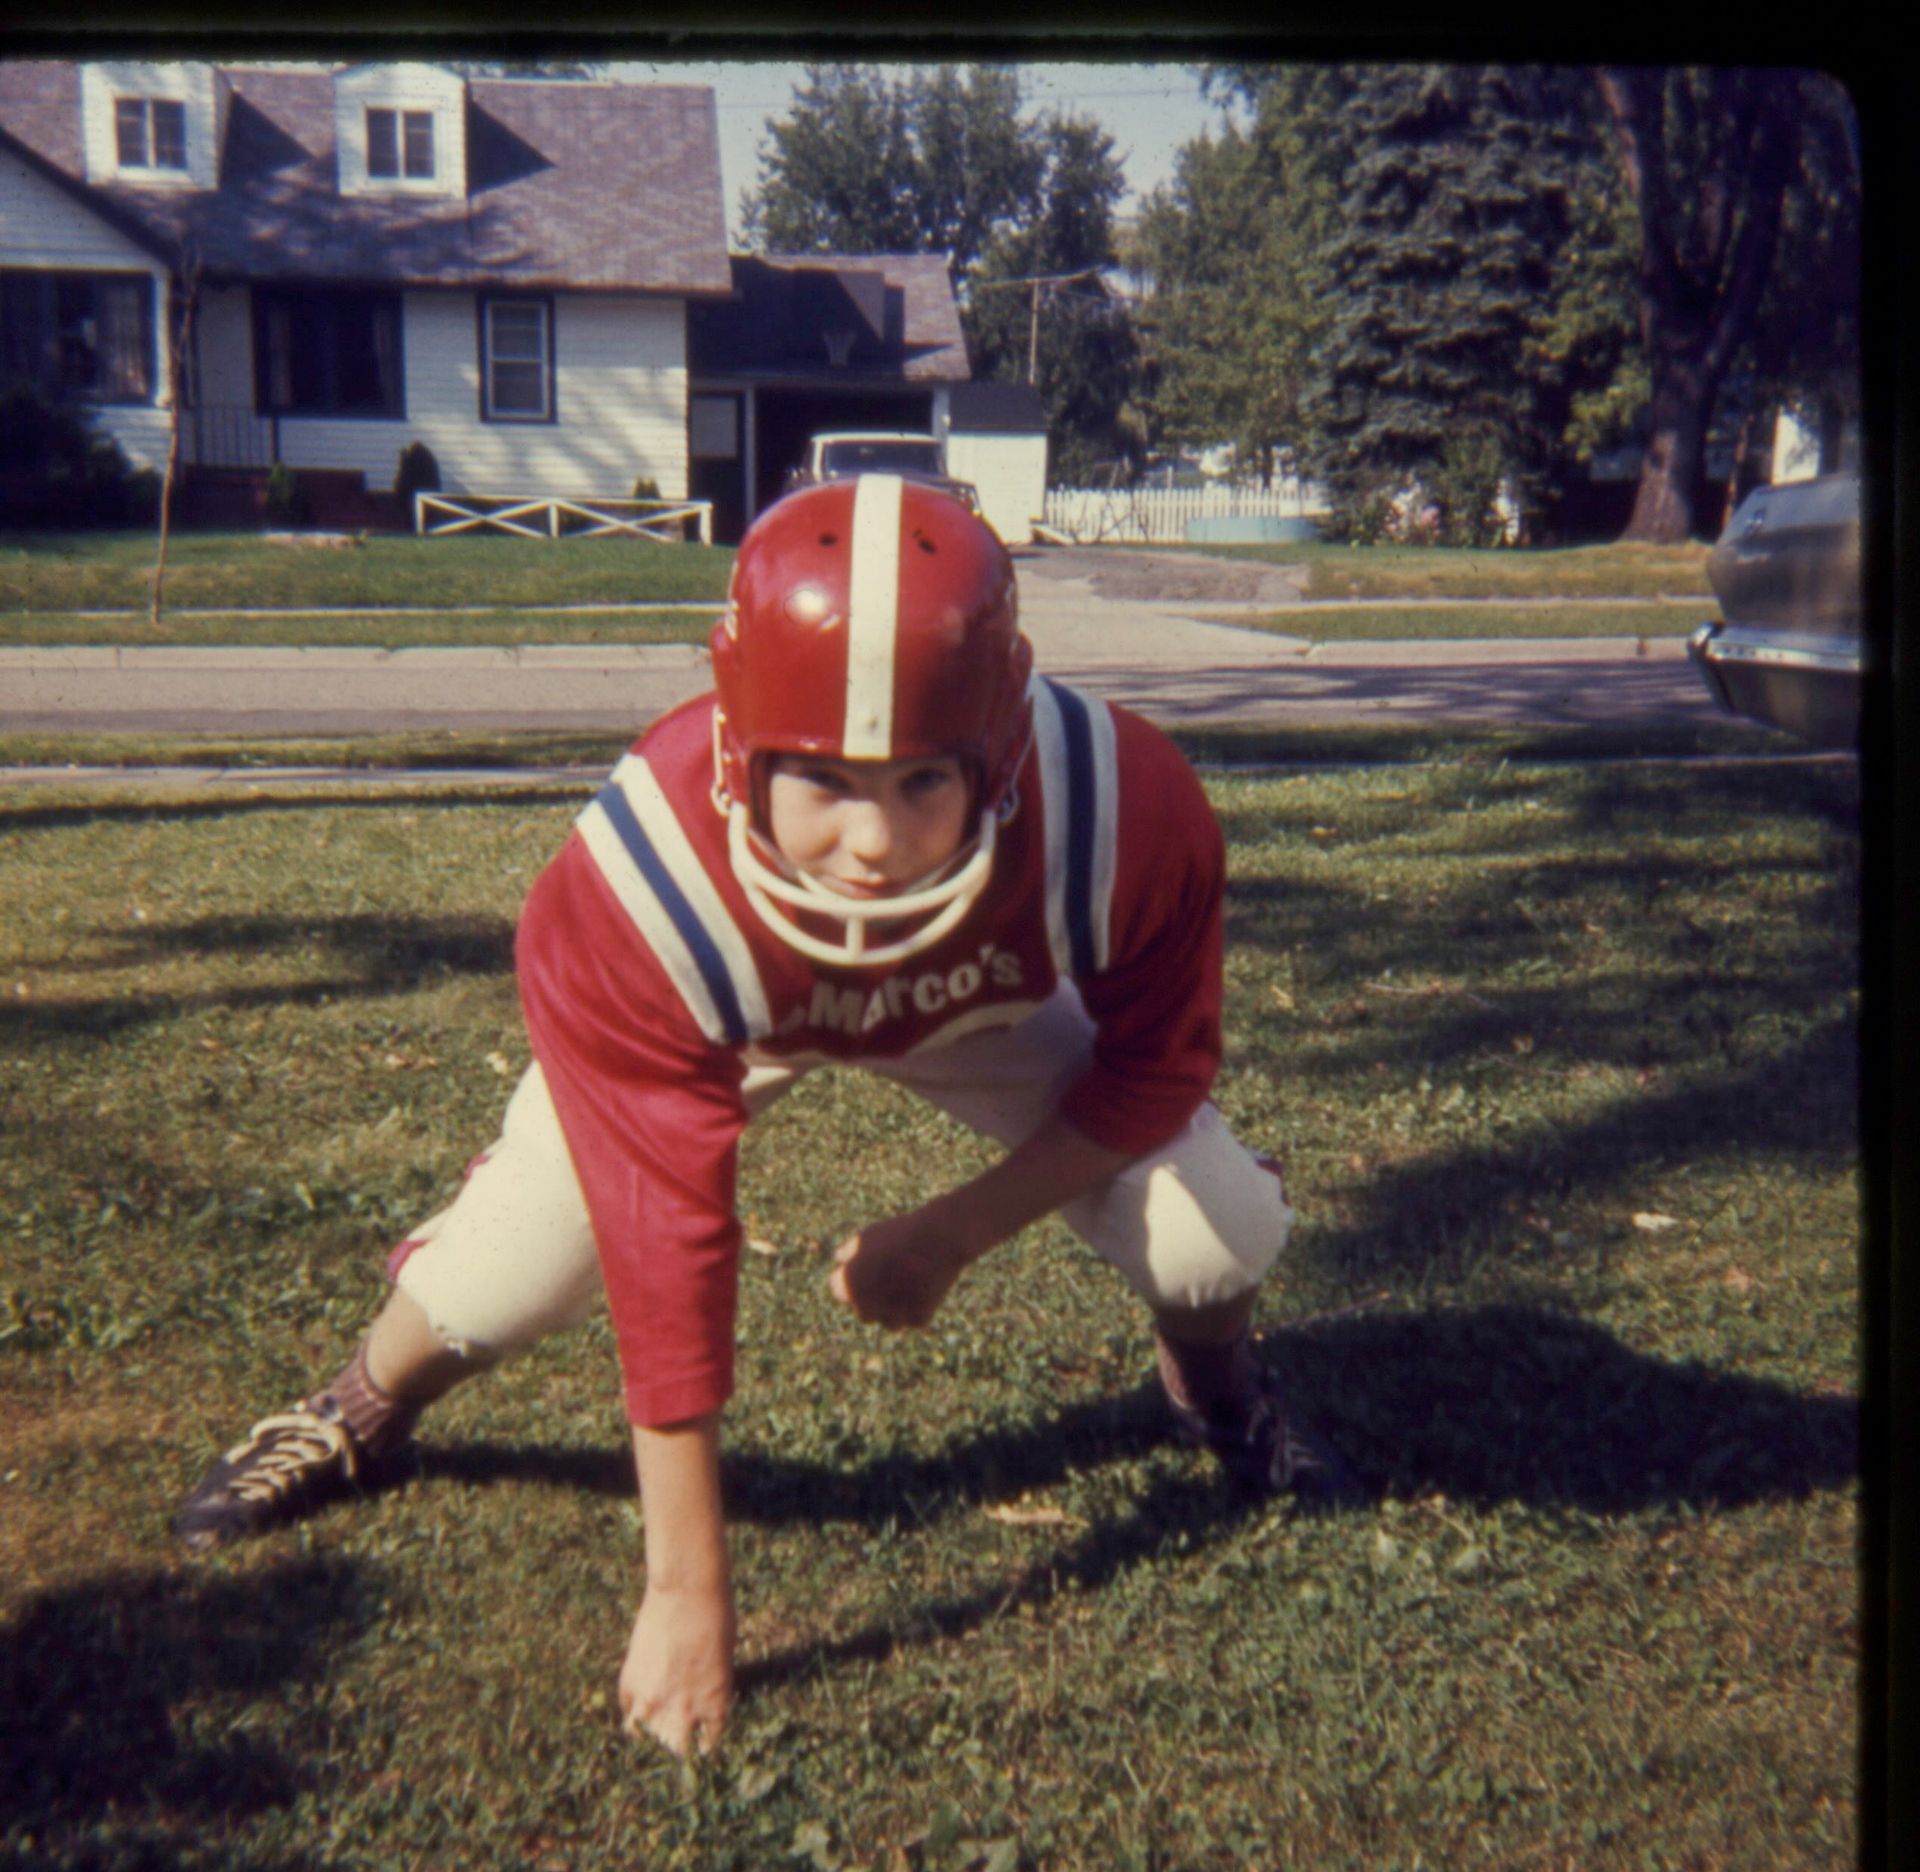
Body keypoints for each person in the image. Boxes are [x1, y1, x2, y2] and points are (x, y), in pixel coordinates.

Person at [173, 474, 1359, 1757]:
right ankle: (359, 1405)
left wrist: (951, 1233)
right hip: (731, 1006)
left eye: (923, 780)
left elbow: (1156, 1070)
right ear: (744, 747)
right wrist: (686, 1591)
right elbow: (664, 1233)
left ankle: (1217, 1387)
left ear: (1002, 745)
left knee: (1216, 1227)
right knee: (501, 1281)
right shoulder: (639, 880)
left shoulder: (1124, 804)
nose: (874, 845)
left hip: (981, 1009)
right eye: (826, 781)